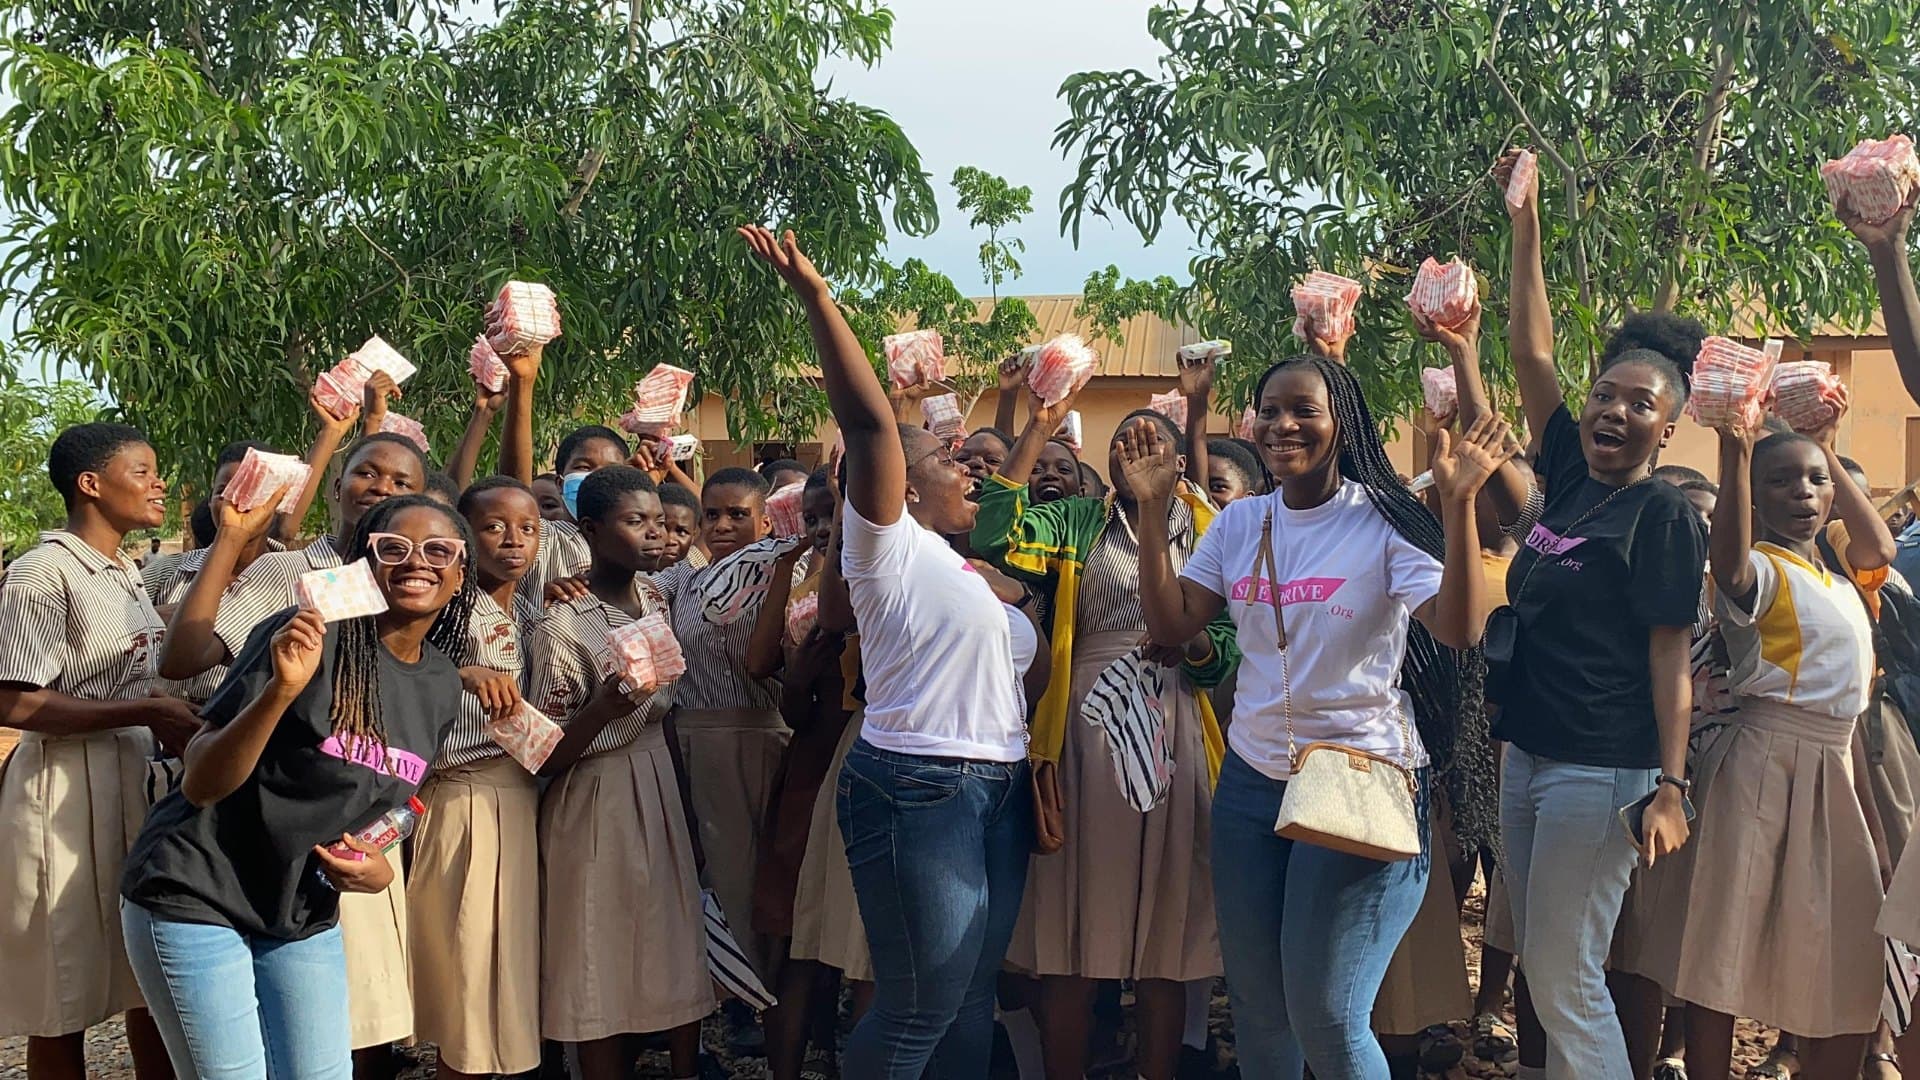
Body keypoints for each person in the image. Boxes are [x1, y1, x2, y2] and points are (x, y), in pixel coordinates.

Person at [1121, 347, 1513, 1079]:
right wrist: (1150, 511)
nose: (1282, 425)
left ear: (1344, 423)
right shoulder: (1239, 527)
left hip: (1359, 775)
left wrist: (1458, 506)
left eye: (1305, 410)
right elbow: (1173, 625)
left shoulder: (1383, 522)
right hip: (1250, 786)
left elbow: (1458, 629)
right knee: (1264, 1021)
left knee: (1329, 1017)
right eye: (1270, 410)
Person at [741, 224, 1035, 1079]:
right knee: (914, 1010)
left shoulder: (959, 567)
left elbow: (1025, 676)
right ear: (898, 486)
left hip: (996, 783)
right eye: (949, 458)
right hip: (920, 786)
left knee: (970, 996)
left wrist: (1015, 603)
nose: (969, 468)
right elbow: (869, 425)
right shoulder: (887, 545)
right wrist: (818, 298)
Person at [119, 495, 476, 1079]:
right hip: (198, 890)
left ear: (461, 574)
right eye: (394, 548)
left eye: (439, 550)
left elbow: (390, 799)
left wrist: (376, 866)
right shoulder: (303, 636)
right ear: (364, 563)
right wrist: (281, 690)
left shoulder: (439, 682)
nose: (418, 562)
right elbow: (203, 781)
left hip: (299, 909)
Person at [1501, 144, 1706, 1080]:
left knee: (1562, 972)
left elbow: (1673, 656)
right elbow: (1530, 350)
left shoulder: (1661, 513)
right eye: (1605, 394)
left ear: (1669, 426)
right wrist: (1526, 225)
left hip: (1603, 766)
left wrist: (1672, 785)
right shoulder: (1574, 477)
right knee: (1549, 973)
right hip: (1527, 749)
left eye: (1640, 404)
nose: (1613, 410)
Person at [973, 394, 1238, 1080]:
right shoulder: (1074, 521)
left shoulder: (1215, 530)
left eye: (1151, 446)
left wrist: (1198, 644)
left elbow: (1233, 648)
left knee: (1165, 940)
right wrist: (1034, 425)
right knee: (1072, 929)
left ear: (1180, 464)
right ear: (1107, 465)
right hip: (1086, 731)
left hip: (1176, 725)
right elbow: (993, 537)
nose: (1135, 455)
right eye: (1123, 446)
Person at [1654, 409, 1895, 1080]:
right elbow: (1726, 563)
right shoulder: (1757, 572)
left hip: (1835, 767)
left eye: (1817, 481)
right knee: (1721, 949)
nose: (1805, 494)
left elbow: (1881, 549)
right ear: (1756, 496)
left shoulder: (1844, 583)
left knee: (1841, 946)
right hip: (1762, 766)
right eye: (1783, 481)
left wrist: (1829, 446)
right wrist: (1735, 453)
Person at [0, 423, 197, 1080]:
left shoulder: (123, 572)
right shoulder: (42, 572)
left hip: (132, 773)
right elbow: (14, 703)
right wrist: (145, 709)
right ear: (91, 484)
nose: (158, 483)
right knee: (65, 985)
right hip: (64, 783)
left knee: (147, 968)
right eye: (141, 470)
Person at [526, 466, 711, 1080]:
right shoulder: (563, 618)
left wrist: (686, 807)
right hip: (597, 790)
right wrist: (603, 707)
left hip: (657, 775)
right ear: (590, 529)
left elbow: (670, 713)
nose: (653, 535)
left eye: (657, 521)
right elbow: (547, 750)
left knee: (672, 936)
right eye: (635, 522)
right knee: (596, 947)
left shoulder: (655, 596)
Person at [405, 477, 546, 1080]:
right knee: (469, 967)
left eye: (528, 529)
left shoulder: (533, 608)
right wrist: (457, 672)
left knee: (506, 969)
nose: (513, 541)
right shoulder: (444, 613)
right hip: (463, 795)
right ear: (463, 538)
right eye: (492, 528)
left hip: (518, 793)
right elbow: (397, 666)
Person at [649, 466, 792, 1011]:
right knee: (710, 870)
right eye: (712, 514)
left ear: (764, 519)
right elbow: (631, 589)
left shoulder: (780, 575)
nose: (723, 526)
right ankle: (721, 994)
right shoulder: (686, 578)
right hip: (689, 731)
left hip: (751, 732)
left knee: (746, 871)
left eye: (738, 515)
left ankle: (756, 997)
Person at [658, 481, 707, 569]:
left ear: (693, 536)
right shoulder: (632, 571)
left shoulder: (693, 565)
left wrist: (672, 468)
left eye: (681, 532)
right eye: (663, 528)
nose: (670, 541)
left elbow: (707, 504)